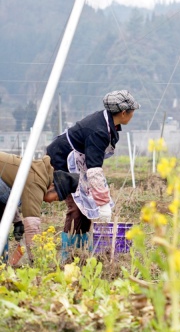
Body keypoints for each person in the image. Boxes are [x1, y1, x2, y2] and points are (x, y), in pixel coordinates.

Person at [46, 90, 139, 260]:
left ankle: (81, 251)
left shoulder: (109, 124)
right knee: (75, 207)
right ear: (124, 112)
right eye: (132, 111)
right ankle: (67, 255)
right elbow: (94, 169)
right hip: (63, 160)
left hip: (78, 162)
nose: (133, 115)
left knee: (87, 207)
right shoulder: (99, 130)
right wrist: (103, 202)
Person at [0, 152, 80, 265]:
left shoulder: (37, 174)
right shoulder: (36, 182)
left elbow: (8, 197)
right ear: (52, 186)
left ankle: (2, 265)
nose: (52, 202)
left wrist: (17, 221)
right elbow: (32, 228)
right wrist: (37, 260)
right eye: (56, 198)